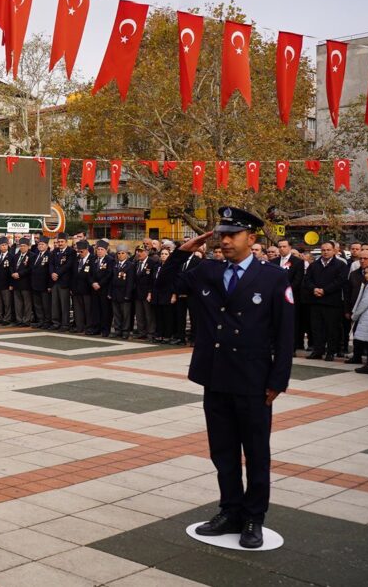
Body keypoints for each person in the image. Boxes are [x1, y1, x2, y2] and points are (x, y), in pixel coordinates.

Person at [154, 207, 293, 549]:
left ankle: (253, 518)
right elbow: (163, 288)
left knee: (256, 453)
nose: (226, 240)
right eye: (223, 234)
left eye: (234, 234)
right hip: (215, 377)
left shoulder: (272, 276)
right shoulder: (208, 270)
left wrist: (278, 380)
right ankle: (230, 509)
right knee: (223, 451)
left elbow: (286, 333)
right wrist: (182, 252)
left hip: (253, 380)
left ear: (252, 238)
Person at [304, 241, 348, 361]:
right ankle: (318, 350)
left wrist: (325, 290)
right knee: (316, 328)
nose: (325, 252)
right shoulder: (314, 265)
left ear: (334, 251)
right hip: (316, 301)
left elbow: (340, 281)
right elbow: (307, 280)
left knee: (332, 328)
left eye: (328, 250)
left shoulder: (340, 265)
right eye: (323, 250)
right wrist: (314, 289)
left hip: (332, 302)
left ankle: (331, 352)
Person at [109, 244, 135, 338]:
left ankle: (125, 331)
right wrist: (110, 293)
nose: (120, 255)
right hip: (115, 293)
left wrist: (128, 294)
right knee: (117, 313)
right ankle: (117, 330)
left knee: (126, 314)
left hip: (124, 293)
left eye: (122, 253)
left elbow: (130, 282)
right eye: (119, 253)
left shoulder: (130, 265)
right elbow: (111, 280)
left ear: (127, 254)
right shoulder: (115, 265)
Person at [132, 246, 157, 340]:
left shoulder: (152, 263)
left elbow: (152, 280)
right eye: (138, 251)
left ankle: (151, 332)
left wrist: (150, 292)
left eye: (141, 251)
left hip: (147, 293)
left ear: (146, 252)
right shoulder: (136, 263)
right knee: (139, 314)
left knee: (149, 314)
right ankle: (141, 332)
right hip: (137, 293)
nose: (139, 253)